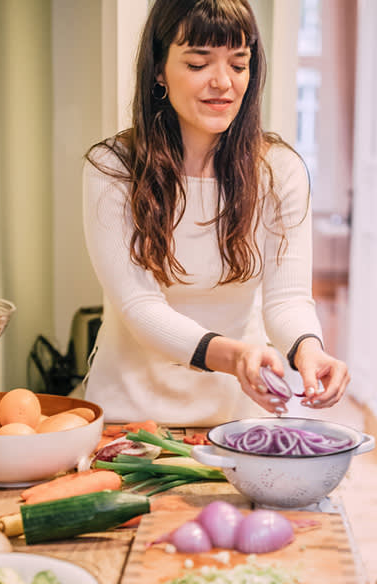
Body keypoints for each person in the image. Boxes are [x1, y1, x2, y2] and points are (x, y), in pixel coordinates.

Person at [82, 0, 350, 426]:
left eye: (238, 64)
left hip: (237, 416)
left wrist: (308, 350)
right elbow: (139, 307)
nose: (223, 82)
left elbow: (286, 299)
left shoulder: (278, 170)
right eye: (198, 63)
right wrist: (235, 355)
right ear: (158, 70)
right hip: (130, 414)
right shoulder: (114, 167)